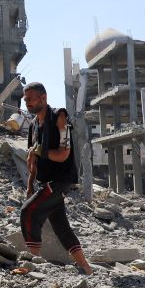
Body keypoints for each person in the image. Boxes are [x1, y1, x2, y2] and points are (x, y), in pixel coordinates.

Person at [20, 82, 93, 275]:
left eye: (30, 99)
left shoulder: (59, 116)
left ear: (43, 98)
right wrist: (30, 186)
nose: (27, 103)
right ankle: (86, 268)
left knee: (28, 212)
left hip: (60, 180)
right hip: (45, 182)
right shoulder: (33, 126)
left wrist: (40, 151)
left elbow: (63, 154)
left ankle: (31, 263)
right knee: (61, 226)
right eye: (25, 100)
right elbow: (33, 160)